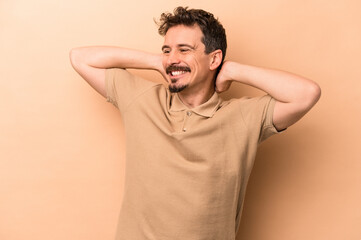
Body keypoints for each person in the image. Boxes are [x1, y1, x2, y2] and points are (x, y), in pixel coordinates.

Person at [69, 6, 321, 240]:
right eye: (167, 49)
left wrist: (233, 70)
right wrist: (157, 61)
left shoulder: (244, 116)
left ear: (214, 59)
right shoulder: (141, 99)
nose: (172, 58)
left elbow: (306, 94)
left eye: (184, 49)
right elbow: (80, 57)